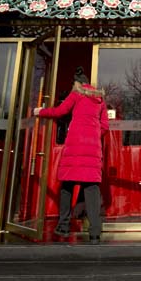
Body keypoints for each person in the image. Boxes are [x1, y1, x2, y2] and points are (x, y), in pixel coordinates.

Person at [34, 66, 108, 244]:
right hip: (92, 148)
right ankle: (95, 233)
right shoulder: (100, 99)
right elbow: (105, 126)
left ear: (77, 83)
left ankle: (64, 225)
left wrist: (40, 111)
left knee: (67, 185)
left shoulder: (76, 94)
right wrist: (93, 137)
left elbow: (60, 111)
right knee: (92, 188)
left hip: (75, 147)